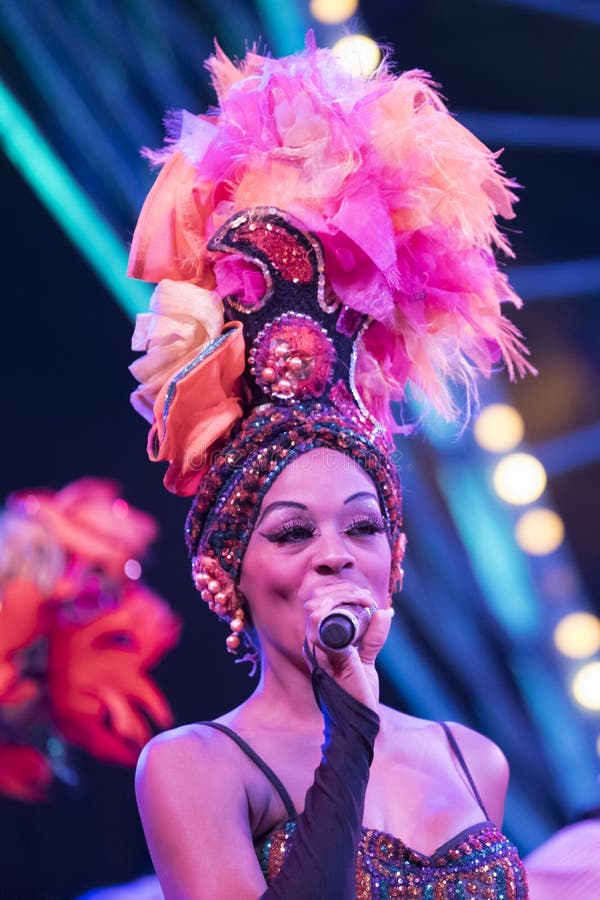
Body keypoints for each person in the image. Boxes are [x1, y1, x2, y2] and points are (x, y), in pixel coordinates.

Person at [127, 33, 533, 898]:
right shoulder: (194, 767)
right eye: (292, 530)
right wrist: (347, 725)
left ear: (393, 556)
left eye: (360, 524)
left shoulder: (475, 762)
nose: (335, 552)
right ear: (225, 574)